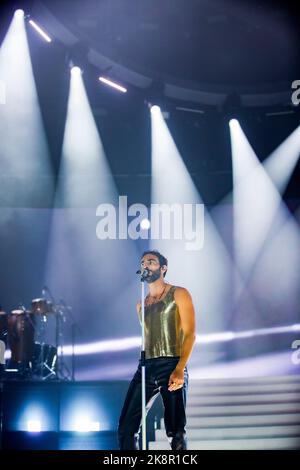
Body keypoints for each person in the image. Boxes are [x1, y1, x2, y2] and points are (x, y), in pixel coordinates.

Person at [117, 250, 196, 450]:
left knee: (175, 431)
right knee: (126, 428)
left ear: (163, 268)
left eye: (151, 262)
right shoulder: (140, 305)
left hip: (172, 363)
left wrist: (180, 368)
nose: (146, 265)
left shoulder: (179, 293)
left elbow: (190, 334)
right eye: (143, 262)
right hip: (145, 367)